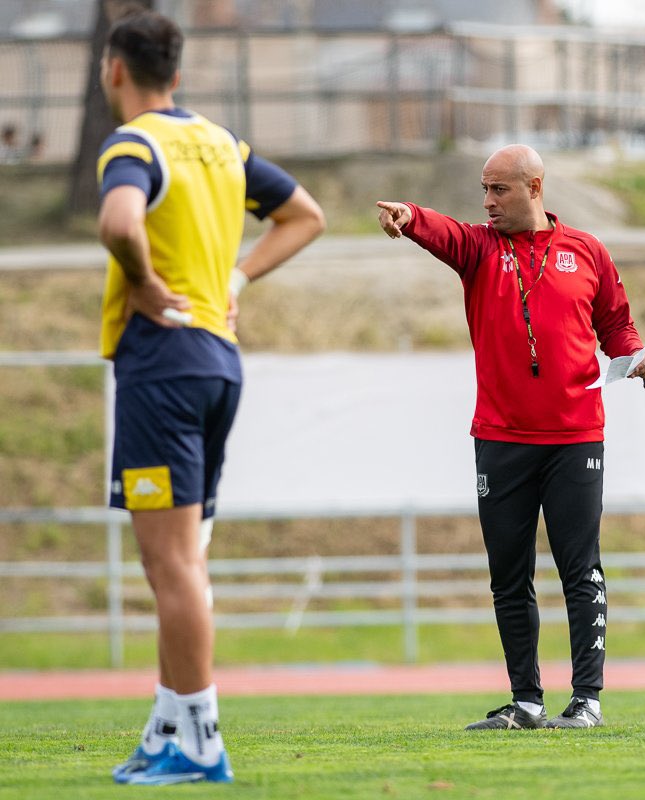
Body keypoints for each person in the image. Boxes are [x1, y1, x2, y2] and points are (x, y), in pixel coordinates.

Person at [96, 10, 324, 784]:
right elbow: (306, 215)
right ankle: (170, 724)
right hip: (220, 359)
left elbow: (119, 219)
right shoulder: (222, 144)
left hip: (162, 362)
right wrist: (235, 278)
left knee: (171, 568)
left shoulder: (135, 143)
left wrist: (145, 280)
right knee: (187, 561)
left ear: (114, 70)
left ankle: (198, 739)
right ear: (178, 74)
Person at [377, 145, 645, 731]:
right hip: (500, 438)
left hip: (575, 437)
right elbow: (444, 231)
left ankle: (587, 701)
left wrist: (638, 358)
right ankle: (526, 701)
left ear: (534, 187)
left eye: (499, 190)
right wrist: (409, 214)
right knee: (509, 574)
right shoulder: (479, 248)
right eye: (484, 189)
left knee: (580, 569)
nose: (487, 201)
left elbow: (617, 328)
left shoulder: (586, 251)